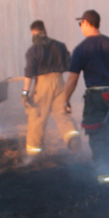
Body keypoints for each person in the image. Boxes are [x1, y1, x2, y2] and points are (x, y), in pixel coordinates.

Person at [62, 10, 109, 183]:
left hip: (97, 97)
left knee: (98, 135)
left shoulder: (82, 49)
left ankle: (107, 180)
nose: (80, 28)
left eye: (80, 24)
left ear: (85, 23)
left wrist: (65, 100)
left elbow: (72, 79)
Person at [21, 20, 77, 157]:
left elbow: (29, 73)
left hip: (43, 84)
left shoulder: (33, 50)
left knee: (37, 116)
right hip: (60, 82)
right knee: (62, 113)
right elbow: (70, 65)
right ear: (44, 30)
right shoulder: (60, 46)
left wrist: (25, 92)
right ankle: (73, 139)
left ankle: (32, 154)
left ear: (33, 32)